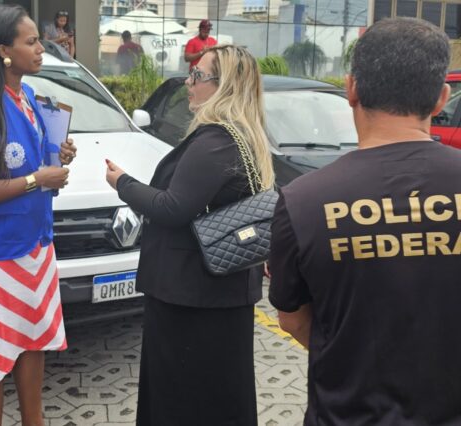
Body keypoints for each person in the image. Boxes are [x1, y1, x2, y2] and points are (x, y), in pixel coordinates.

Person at [269, 17, 461, 426]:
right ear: (441, 98)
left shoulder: (302, 201)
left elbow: (291, 318)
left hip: (347, 414)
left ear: (351, 88)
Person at [106, 45, 274, 426]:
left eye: (198, 75)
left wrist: (123, 183)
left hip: (192, 295)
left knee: (181, 398)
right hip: (215, 290)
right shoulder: (240, 136)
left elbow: (171, 207)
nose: (189, 82)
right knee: (216, 395)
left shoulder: (216, 140)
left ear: (223, 86)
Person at [0, 6, 77, 426]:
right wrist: (39, 179)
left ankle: (34, 420)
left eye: (39, 39)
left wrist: (57, 157)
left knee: (33, 341)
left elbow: (30, 167)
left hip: (37, 249)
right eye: (31, 41)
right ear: (4, 51)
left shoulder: (31, 103)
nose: (41, 48)